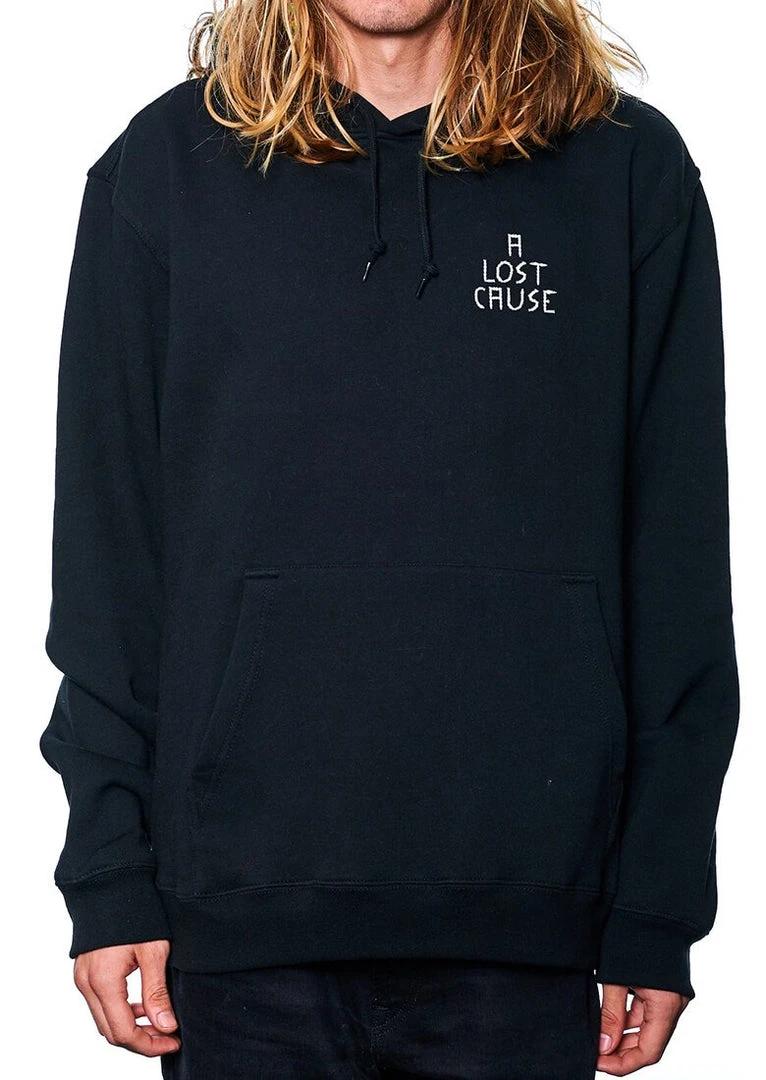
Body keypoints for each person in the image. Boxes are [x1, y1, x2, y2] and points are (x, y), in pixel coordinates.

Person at [39, 0, 740, 1076]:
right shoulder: (165, 169)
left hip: (529, 922)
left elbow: (679, 562)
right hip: (233, 930)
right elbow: (108, 558)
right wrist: (107, 872)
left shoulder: (626, 171)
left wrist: (659, 899)